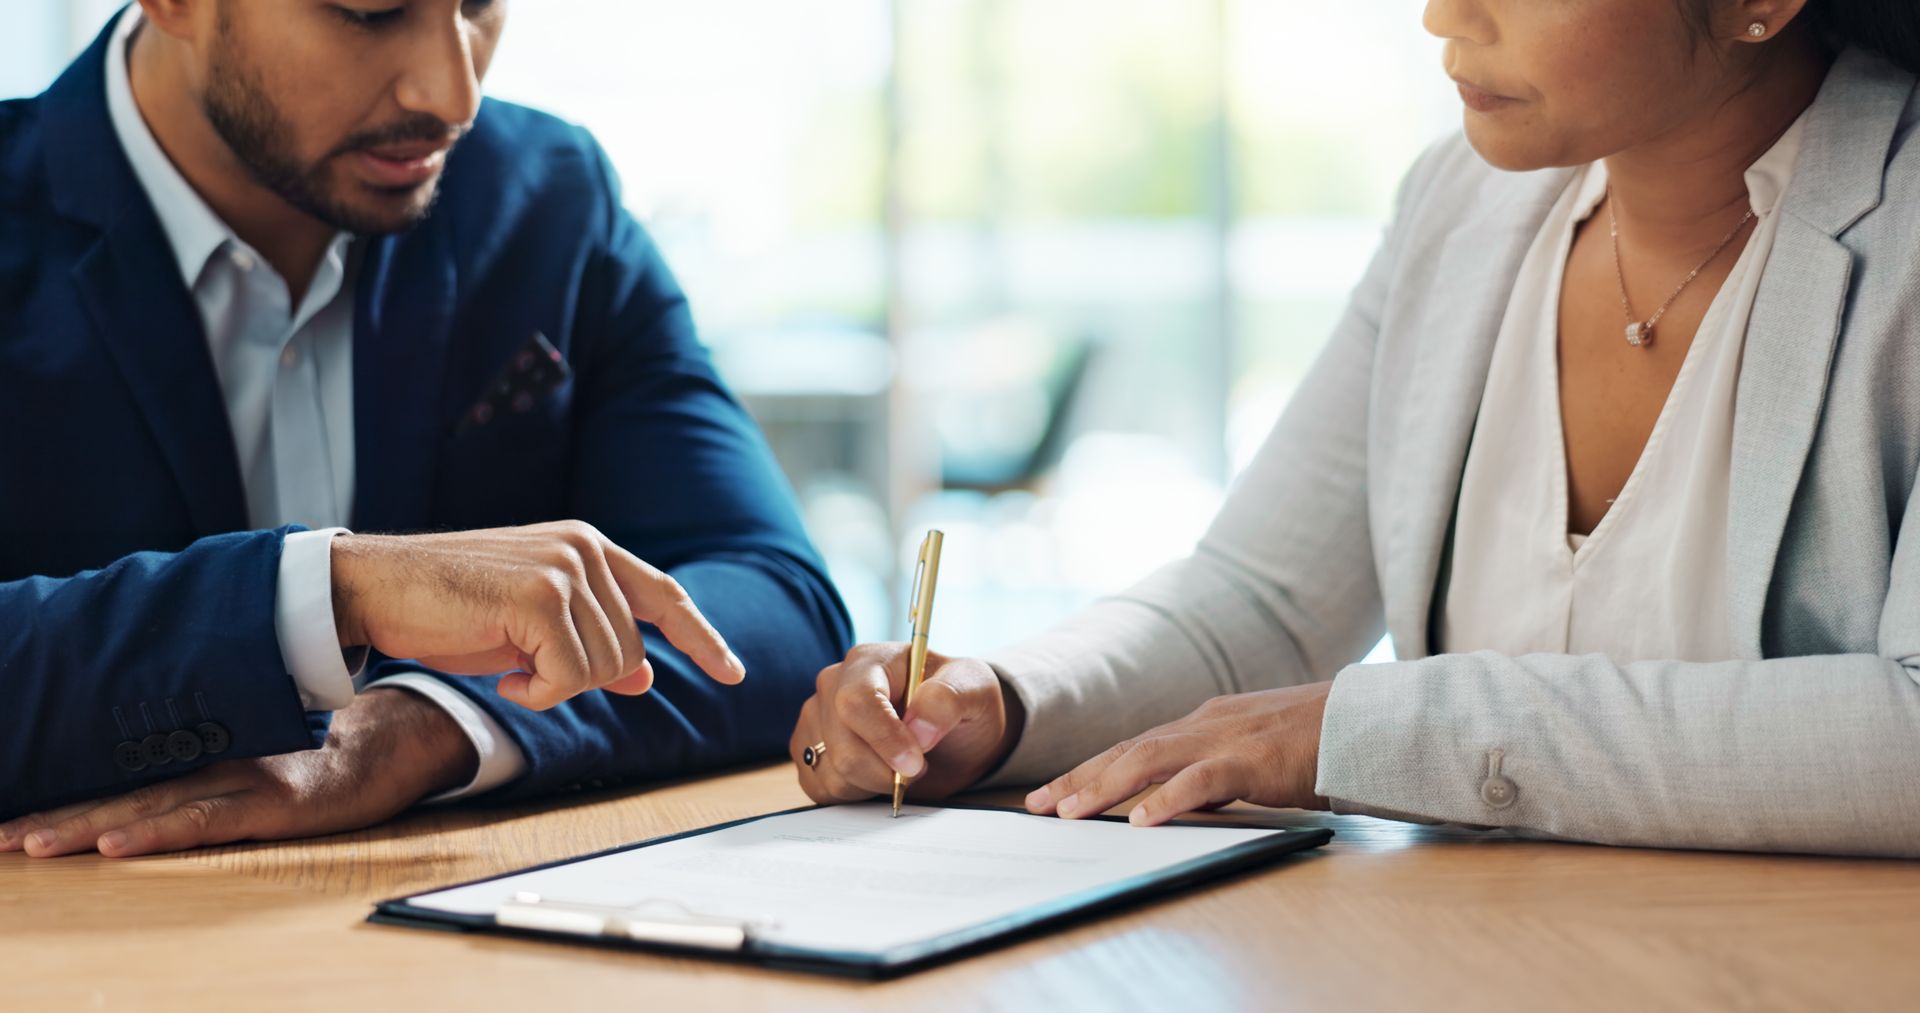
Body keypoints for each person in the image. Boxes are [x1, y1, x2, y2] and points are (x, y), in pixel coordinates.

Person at [791, 0, 1920, 857]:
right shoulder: (1461, 208)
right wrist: (1000, 698)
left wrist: (1371, 727)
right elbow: (1264, 597)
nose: (1440, 15)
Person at [0, 0, 851, 856]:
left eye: (479, 5)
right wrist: (334, 593)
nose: (454, 93)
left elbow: (777, 607)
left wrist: (417, 726)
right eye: (372, 13)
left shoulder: (549, 199)